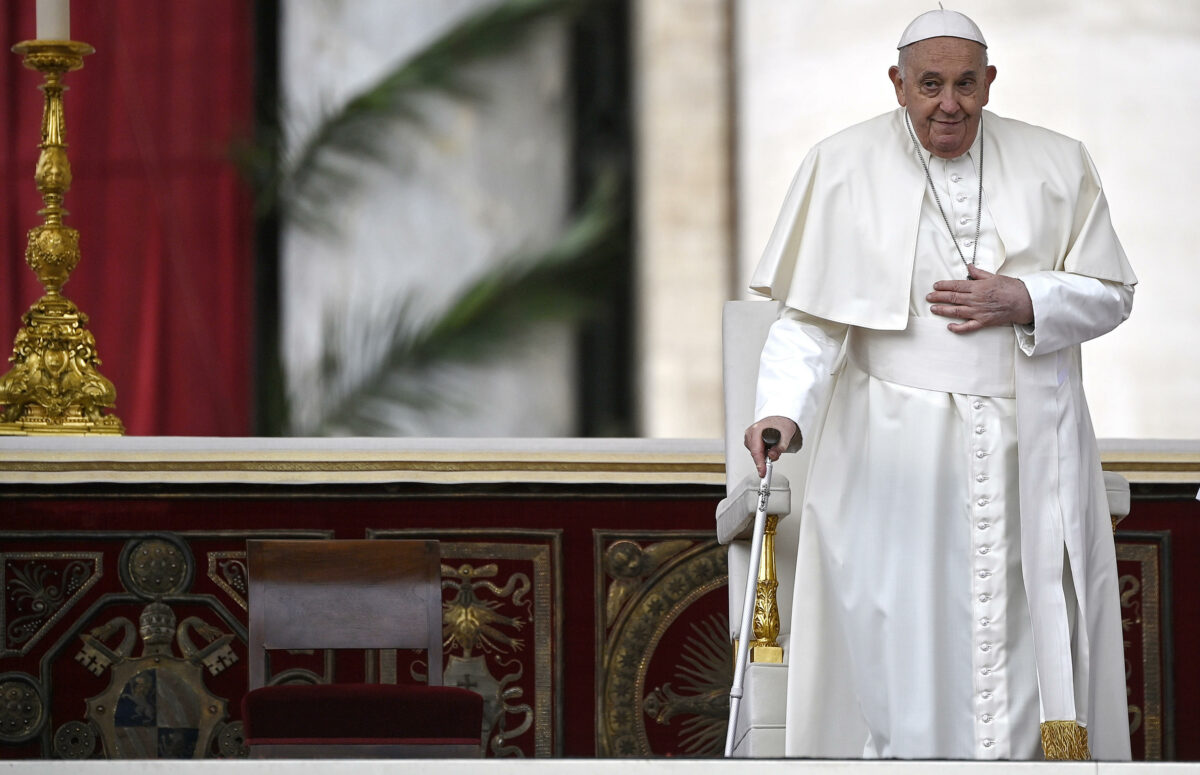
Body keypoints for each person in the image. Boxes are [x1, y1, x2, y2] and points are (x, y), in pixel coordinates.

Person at [742, 8, 1135, 761]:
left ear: (989, 83)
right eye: (929, 85)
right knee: (904, 637)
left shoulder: (1058, 162)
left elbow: (1114, 293)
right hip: (894, 453)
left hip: (1031, 443)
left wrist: (1028, 299)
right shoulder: (841, 164)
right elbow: (811, 321)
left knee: (1022, 632)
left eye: (963, 84)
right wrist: (781, 411)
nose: (947, 103)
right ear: (898, 85)